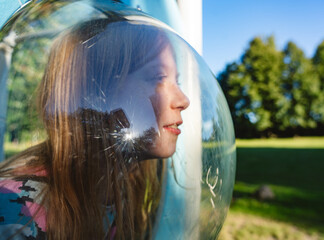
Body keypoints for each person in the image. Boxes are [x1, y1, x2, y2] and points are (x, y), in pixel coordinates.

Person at [0, 17, 190, 240]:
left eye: (178, 82)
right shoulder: (17, 210)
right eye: (158, 78)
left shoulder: (119, 185)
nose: (183, 100)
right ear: (99, 92)